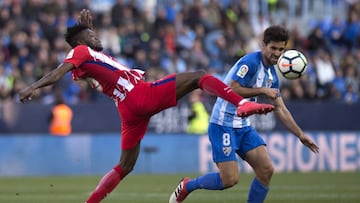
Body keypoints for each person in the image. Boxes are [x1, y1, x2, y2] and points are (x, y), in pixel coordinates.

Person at [18, 9, 275, 203]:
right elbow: (60, 70)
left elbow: (90, 61)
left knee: (125, 166)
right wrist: (32, 87)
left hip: (128, 112)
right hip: (138, 96)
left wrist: (87, 30)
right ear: (79, 42)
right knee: (198, 76)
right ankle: (240, 103)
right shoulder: (79, 53)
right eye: (91, 35)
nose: (97, 37)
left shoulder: (87, 58)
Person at [169, 25, 320, 203]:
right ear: (263, 45)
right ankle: (188, 185)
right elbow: (232, 88)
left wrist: (300, 135)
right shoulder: (250, 62)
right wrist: (263, 90)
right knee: (229, 179)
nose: (277, 53)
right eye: (273, 48)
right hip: (223, 124)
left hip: (243, 127)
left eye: (281, 49)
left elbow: (281, 108)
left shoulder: (272, 74)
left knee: (266, 170)